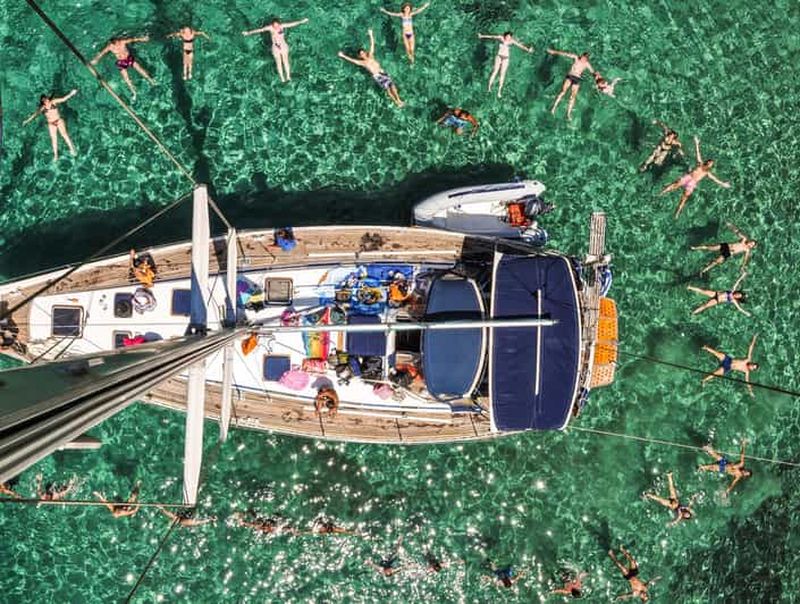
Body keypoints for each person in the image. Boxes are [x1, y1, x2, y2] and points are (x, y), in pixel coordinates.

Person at [659, 136, 730, 218]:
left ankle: (677, 213)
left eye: (711, 163)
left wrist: (723, 184)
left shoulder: (707, 173)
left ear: (710, 166)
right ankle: (661, 193)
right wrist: (696, 143)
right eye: (709, 162)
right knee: (674, 185)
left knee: (684, 199)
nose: (709, 163)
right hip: (688, 177)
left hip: (692, 183)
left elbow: (715, 179)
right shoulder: (700, 164)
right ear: (707, 162)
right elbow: (698, 153)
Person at [338, 30, 405, 107]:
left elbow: (372, 45)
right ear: (360, 56)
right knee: (388, 89)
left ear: (365, 52)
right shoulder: (363, 63)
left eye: (363, 52)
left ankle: (399, 99)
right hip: (378, 76)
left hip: (382, 72)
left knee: (392, 85)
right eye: (361, 54)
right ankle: (396, 102)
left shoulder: (371, 56)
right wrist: (343, 56)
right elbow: (352, 61)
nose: (363, 54)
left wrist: (371, 35)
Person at [242, 17, 309, 83]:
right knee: (279, 63)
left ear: (279, 24)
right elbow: (260, 30)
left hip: (283, 46)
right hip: (275, 48)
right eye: (274, 26)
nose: (276, 27)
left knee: (285, 61)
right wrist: (248, 33)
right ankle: (282, 78)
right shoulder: (270, 28)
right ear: (272, 25)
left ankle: (288, 77)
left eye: (277, 25)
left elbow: (292, 24)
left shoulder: (282, 26)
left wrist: (301, 21)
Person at [90, 36, 155, 100]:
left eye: (118, 41)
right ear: (113, 43)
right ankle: (134, 92)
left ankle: (151, 81)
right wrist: (96, 59)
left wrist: (142, 39)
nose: (118, 43)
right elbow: (102, 53)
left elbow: (133, 39)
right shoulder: (110, 47)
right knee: (126, 78)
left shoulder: (122, 41)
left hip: (128, 58)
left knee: (140, 69)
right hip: (121, 62)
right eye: (116, 42)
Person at [22, 90, 78, 161]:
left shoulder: (54, 102)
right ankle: (56, 156)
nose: (46, 101)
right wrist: (26, 121)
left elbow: (64, 99)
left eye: (46, 99)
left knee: (64, 135)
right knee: (54, 139)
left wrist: (71, 93)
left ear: (48, 98)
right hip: (51, 124)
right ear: (43, 103)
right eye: (44, 101)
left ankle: (72, 149)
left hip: (59, 120)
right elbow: (34, 115)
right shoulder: (43, 108)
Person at [477, 32, 533, 98]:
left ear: (511, 37)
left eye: (509, 37)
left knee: (502, 74)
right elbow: (492, 37)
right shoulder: (501, 38)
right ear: (505, 35)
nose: (508, 38)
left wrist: (528, 50)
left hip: (506, 58)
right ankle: (489, 88)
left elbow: (520, 46)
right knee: (495, 71)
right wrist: (482, 36)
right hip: (499, 56)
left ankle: (499, 91)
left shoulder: (512, 41)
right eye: (507, 36)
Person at [692, 223, 757, 275]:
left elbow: (745, 259)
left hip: (728, 253)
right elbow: (737, 232)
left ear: (752, 247)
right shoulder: (744, 239)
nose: (750, 244)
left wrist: (742, 267)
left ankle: (704, 270)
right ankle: (695, 248)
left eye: (752, 245)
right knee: (710, 248)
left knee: (716, 262)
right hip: (726, 246)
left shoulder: (747, 250)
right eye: (751, 242)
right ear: (750, 240)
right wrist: (730, 226)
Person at [547, 49, 594, 120]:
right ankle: (553, 108)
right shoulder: (576, 58)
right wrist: (554, 52)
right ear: (581, 56)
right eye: (582, 57)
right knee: (563, 92)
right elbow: (565, 54)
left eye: (584, 59)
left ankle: (568, 114)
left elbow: (593, 72)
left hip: (577, 79)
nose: (582, 59)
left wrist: (600, 82)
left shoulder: (587, 64)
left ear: (586, 59)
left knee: (573, 96)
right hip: (570, 76)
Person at [232, 511, 297, 535]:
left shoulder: (276, 529)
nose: (267, 527)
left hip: (273, 521)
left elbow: (289, 528)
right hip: (272, 521)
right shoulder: (276, 528)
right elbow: (289, 528)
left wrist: (241, 521)